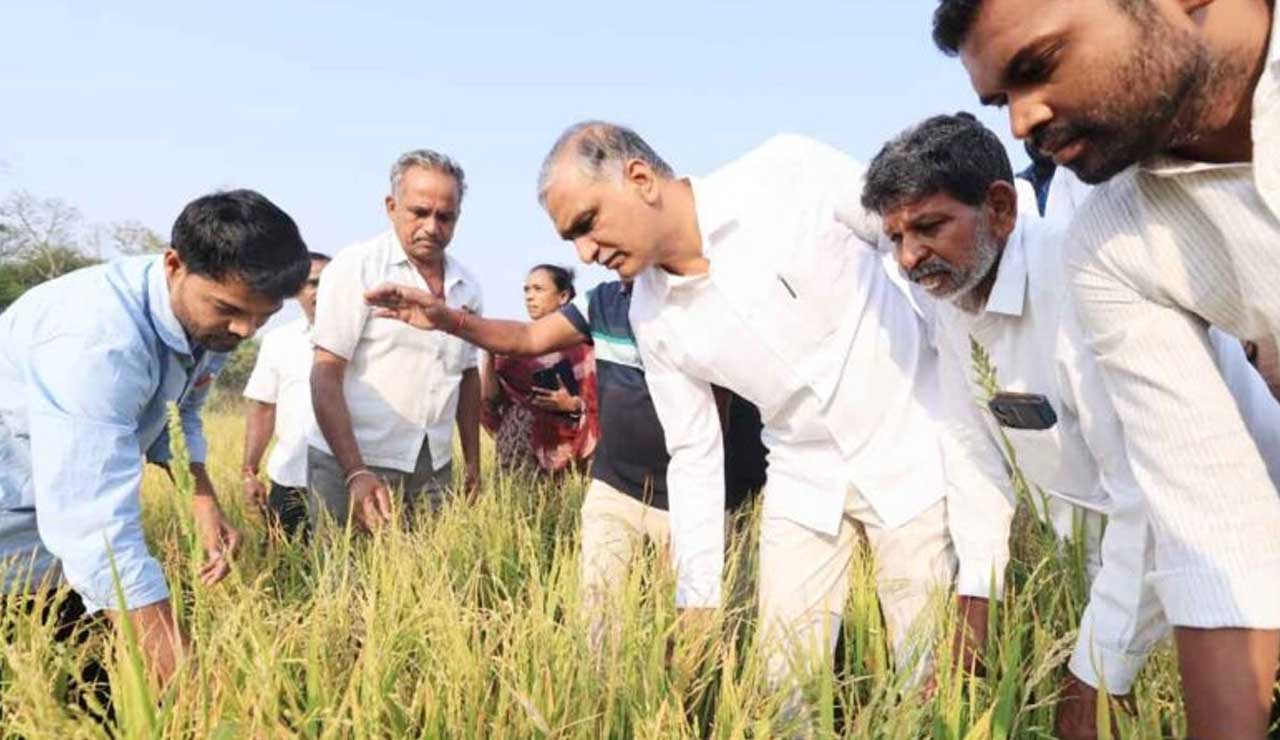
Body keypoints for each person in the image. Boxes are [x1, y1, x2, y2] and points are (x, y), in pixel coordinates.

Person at [528, 121, 1002, 707]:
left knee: (932, 679)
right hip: (801, 479)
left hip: (910, 453)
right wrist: (697, 599)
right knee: (783, 686)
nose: (584, 253)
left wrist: (966, 395)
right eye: (571, 237)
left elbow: (914, 250)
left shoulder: (788, 172)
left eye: (587, 222)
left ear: (640, 178)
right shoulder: (652, 318)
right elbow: (695, 452)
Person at [863, 111, 1280, 739]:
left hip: (1227, 538)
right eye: (894, 237)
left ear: (1000, 208)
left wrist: (1096, 673)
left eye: (928, 227)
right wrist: (975, 606)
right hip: (1110, 552)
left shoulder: (1084, 276)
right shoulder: (947, 294)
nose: (909, 257)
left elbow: (1149, 496)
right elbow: (974, 460)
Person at [0, 189, 309, 684]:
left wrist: (202, 497)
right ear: (174, 264)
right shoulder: (96, 342)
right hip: (15, 534)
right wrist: (196, 689)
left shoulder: (211, 323)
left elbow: (180, 411)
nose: (246, 330)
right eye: (230, 308)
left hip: (59, 550)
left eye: (264, 316)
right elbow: (97, 526)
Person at [364, 276, 766, 650]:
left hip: (693, 498)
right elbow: (526, 336)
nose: (591, 249)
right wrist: (447, 319)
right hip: (616, 490)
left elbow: (723, 421)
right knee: (600, 619)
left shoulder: (714, 303)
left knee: (695, 638)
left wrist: (691, 518)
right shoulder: (605, 302)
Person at [308, 149, 483, 531]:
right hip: (356, 460)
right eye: (420, 212)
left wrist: (472, 463)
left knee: (430, 579)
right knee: (346, 583)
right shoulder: (357, 267)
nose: (432, 227)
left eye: (445, 216)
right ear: (392, 206)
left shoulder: (466, 286)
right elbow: (325, 373)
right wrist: (354, 471)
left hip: (434, 465)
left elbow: (467, 377)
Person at [242, 252, 331, 538]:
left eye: (330, 282)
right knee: (286, 568)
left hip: (351, 480)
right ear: (296, 291)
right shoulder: (279, 342)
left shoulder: (369, 340)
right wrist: (249, 472)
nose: (321, 291)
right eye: (313, 283)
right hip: (291, 478)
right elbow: (263, 408)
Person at [480, 264, 598, 476]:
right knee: (520, 508)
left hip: (572, 450)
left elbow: (604, 402)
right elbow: (491, 399)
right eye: (526, 290)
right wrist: (488, 355)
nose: (529, 296)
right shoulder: (514, 347)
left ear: (563, 296)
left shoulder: (587, 349)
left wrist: (572, 404)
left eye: (538, 289)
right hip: (519, 447)